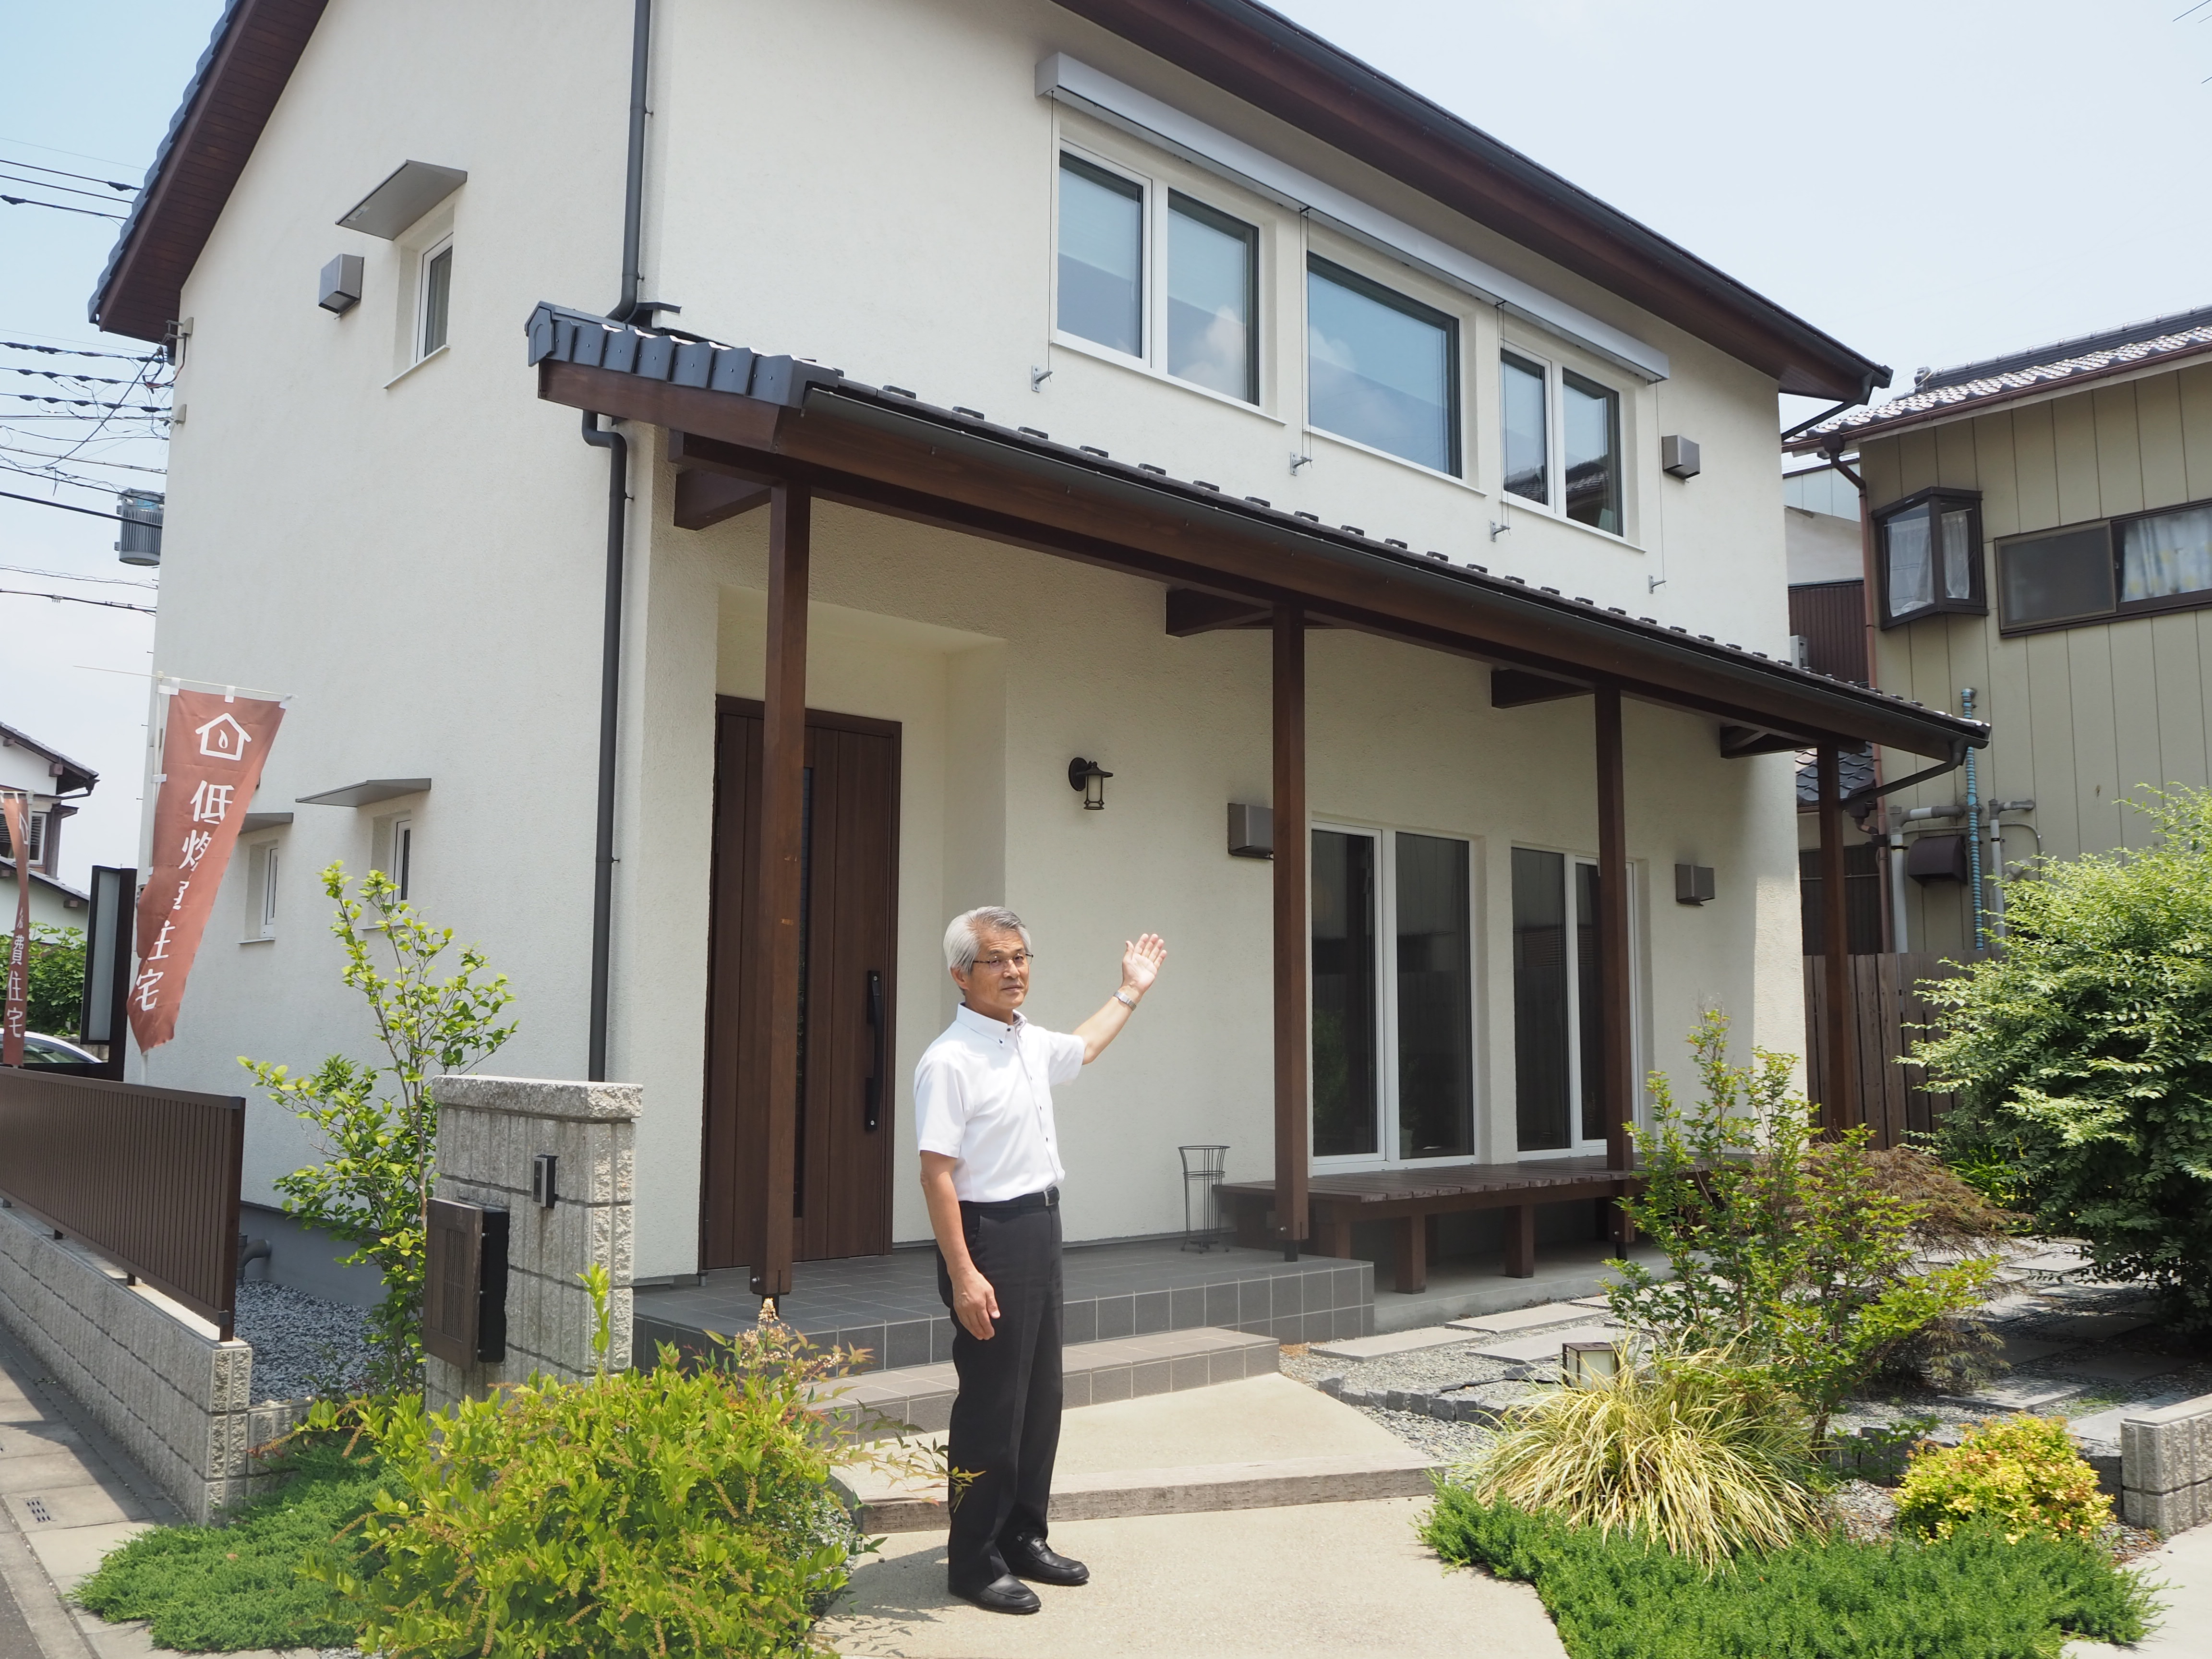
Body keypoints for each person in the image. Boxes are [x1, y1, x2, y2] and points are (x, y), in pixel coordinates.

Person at [914, 906, 1166, 1615]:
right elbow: (936, 1174)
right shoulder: (949, 1060)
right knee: (992, 1402)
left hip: (1040, 1225)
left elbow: (1083, 1048)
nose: (1013, 970)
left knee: (1039, 1396)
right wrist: (963, 1272)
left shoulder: (1024, 1040)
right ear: (961, 974)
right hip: (988, 1235)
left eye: (1021, 956)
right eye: (995, 959)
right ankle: (972, 1561)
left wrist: (1132, 989)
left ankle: (1023, 1535)